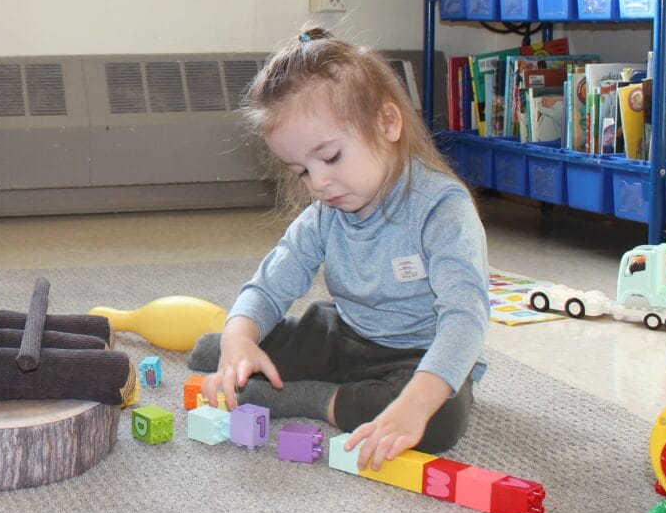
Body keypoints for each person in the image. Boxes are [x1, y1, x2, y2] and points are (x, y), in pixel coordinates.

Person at [191, 28, 487, 471]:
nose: (319, 182)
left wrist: (415, 402)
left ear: (387, 123)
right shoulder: (324, 214)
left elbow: (465, 319)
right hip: (343, 336)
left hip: (419, 353)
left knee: (438, 420)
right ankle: (269, 369)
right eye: (301, 170)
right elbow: (269, 287)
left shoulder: (442, 210)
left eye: (329, 157)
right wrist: (239, 339)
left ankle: (311, 398)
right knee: (210, 352)